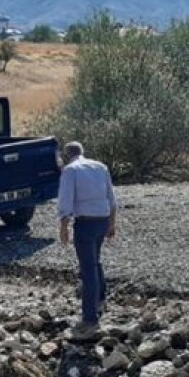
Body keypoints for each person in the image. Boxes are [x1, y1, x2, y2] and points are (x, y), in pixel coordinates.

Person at [56, 141, 117, 328]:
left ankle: (90, 316)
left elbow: (65, 200)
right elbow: (111, 197)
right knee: (96, 261)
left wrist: (63, 227)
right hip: (103, 219)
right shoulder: (100, 167)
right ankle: (100, 299)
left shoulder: (70, 171)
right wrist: (112, 224)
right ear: (83, 151)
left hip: (85, 223)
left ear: (67, 155)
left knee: (88, 267)